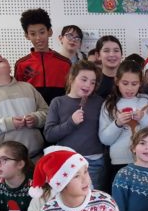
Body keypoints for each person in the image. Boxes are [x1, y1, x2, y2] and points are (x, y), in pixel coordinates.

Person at [0, 52, 49, 172]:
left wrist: (36, 119)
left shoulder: (28, 87)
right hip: (2, 164)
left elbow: (46, 112)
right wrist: (8, 123)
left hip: (35, 159)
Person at [45, 60, 107, 190]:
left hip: (93, 162)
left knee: (92, 198)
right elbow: (49, 135)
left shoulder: (99, 102)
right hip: (66, 161)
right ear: (72, 78)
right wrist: (71, 123)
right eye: (83, 79)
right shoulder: (58, 102)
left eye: (92, 82)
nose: (88, 85)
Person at [99, 59, 148, 176]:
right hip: (119, 161)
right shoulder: (109, 104)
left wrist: (143, 118)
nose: (129, 88)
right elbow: (105, 139)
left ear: (140, 83)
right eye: (125, 83)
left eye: (134, 84)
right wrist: (117, 124)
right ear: (117, 81)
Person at [14, 8, 72, 103]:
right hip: (32, 111)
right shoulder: (21, 64)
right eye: (33, 34)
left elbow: (70, 92)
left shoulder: (65, 63)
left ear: (49, 32)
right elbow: (18, 94)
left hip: (59, 111)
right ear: (27, 36)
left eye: (42, 32)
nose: (38, 38)